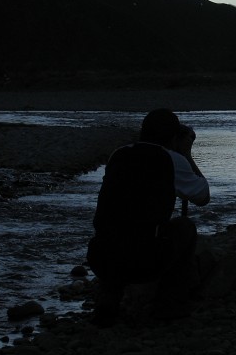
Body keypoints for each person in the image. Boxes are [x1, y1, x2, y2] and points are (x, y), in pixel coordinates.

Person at [87, 108, 210, 326]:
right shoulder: (172, 160)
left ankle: (107, 305)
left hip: (101, 256)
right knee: (184, 227)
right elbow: (202, 196)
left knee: (117, 228)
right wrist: (186, 155)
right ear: (174, 137)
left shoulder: (119, 154)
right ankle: (170, 305)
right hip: (146, 260)